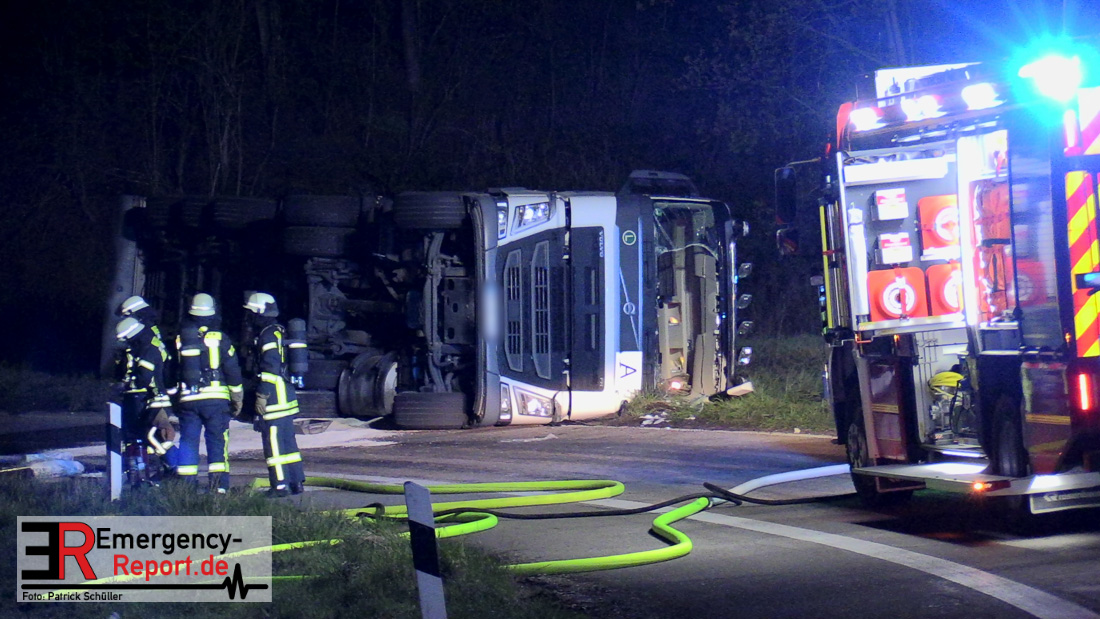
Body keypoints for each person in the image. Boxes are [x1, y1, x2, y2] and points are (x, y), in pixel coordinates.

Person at [175, 293, 244, 494]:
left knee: (188, 441)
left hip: (189, 399)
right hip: (216, 400)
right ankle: (219, 486)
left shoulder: (181, 338)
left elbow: (173, 369)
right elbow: (232, 370)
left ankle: (185, 487)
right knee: (217, 441)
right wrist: (237, 397)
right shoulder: (221, 338)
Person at [243, 292, 305, 496]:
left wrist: (262, 396)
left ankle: (279, 486)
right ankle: (296, 482)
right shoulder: (279, 331)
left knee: (274, 445)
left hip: (275, 398)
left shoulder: (267, 335)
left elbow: (269, 368)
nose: (249, 317)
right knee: (288, 443)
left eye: (252, 313)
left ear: (260, 312)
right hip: (286, 396)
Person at [115, 317, 178, 483]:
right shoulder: (141, 348)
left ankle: (176, 469)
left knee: (158, 437)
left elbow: (144, 377)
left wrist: (127, 384)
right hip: (145, 400)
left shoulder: (148, 349)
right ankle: (147, 474)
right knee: (143, 438)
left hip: (152, 400)